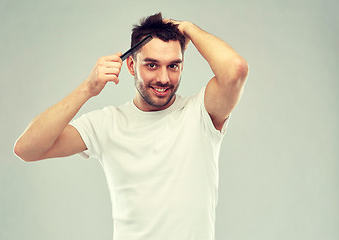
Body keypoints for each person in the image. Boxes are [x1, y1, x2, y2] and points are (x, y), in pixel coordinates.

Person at [14, 12, 248, 240]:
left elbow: (235, 70)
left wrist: (188, 28)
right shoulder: (107, 123)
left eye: (173, 66)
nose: (164, 79)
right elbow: (27, 149)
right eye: (152, 65)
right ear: (130, 65)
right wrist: (87, 89)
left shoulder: (201, 113)